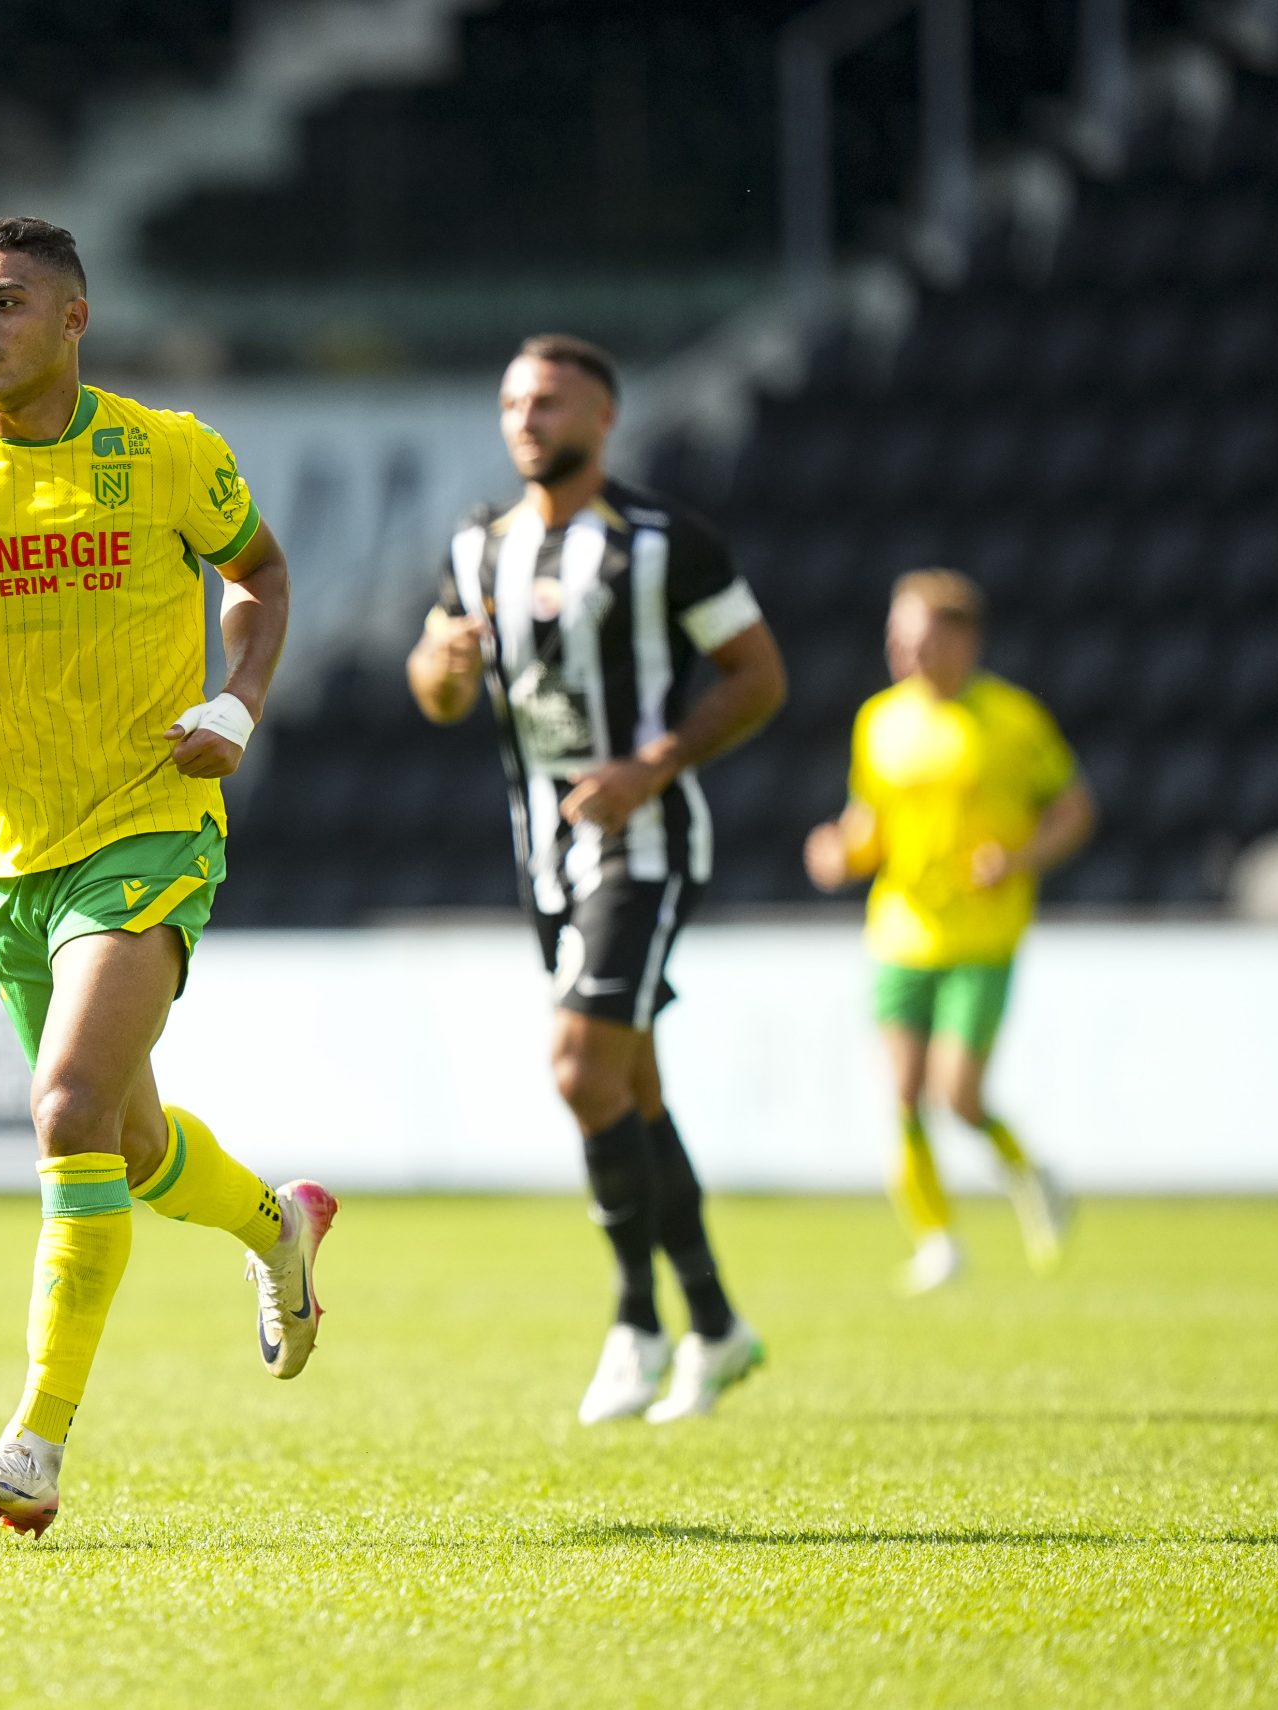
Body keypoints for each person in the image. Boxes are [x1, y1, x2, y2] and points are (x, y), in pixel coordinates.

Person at [0, 216, 335, 1536]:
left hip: (150, 818)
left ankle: (34, 1445)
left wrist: (238, 701)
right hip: (6, 855)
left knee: (66, 1105)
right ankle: (277, 1226)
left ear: (75, 319)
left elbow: (260, 571)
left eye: (7, 304)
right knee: (128, 1144)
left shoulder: (165, 453)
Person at [407, 335, 787, 1425]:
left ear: (604, 417)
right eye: (513, 403)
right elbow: (436, 686)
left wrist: (652, 765)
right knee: (631, 1088)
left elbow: (758, 676)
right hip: (545, 852)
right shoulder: (477, 546)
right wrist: (440, 671)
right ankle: (716, 1324)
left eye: (551, 403)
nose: (527, 421)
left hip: (645, 841)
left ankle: (635, 1324)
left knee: (579, 1071)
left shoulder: (664, 544)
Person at [805, 570, 1094, 1293]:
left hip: (982, 936)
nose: (906, 653)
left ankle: (1033, 1177)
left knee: (959, 1094)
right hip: (901, 931)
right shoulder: (880, 720)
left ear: (966, 640)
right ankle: (936, 1240)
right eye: (897, 639)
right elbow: (869, 824)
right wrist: (842, 852)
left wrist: (1020, 859)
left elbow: (1073, 811)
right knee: (904, 1094)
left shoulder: (1012, 720)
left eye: (923, 639)